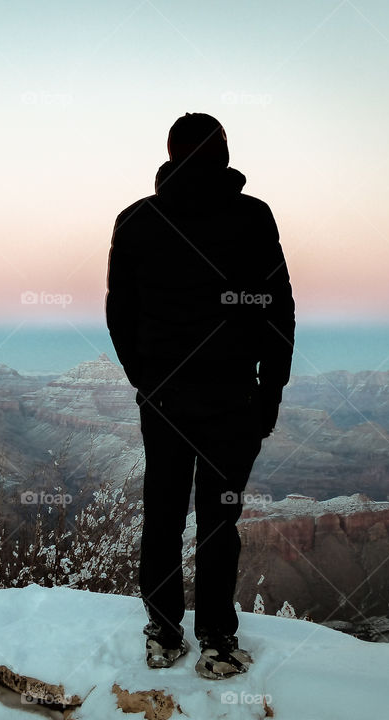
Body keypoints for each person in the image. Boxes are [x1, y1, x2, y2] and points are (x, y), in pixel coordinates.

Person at [105, 112, 295, 679]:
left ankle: (164, 633)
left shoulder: (136, 220)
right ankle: (216, 641)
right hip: (235, 399)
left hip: (164, 401)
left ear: (169, 153)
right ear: (224, 152)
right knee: (220, 521)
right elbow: (278, 312)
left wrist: (145, 379)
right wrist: (270, 393)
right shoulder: (252, 217)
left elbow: (119, 313)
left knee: (162, 514)